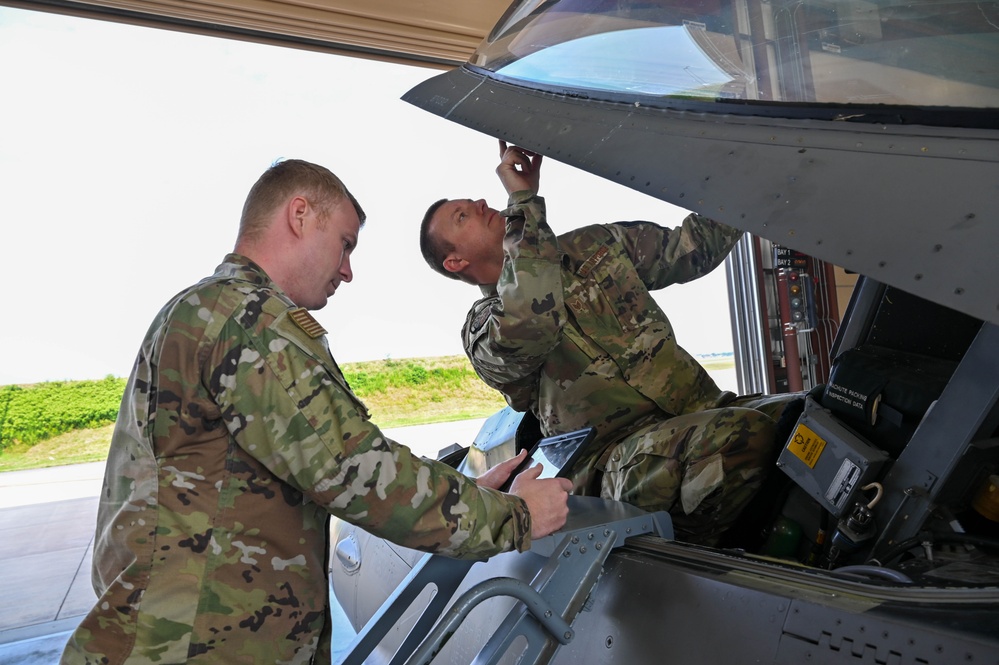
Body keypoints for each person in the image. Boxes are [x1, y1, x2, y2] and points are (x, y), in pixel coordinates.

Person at [61, 159, 572, 664]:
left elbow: (321, 463)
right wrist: (518, 516)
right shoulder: (248, 320)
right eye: (345, 244)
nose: (348, 271)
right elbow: (353, 468)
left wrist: (466, 492)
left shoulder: (214, 309)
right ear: (299, 215)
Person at [420, 141, 792, 547]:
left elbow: (689, 249)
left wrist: (755, 171)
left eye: (471, 202)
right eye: (462, 215)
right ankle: (697, 559)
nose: (478, 203)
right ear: (455, 262)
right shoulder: (484, 331)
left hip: (700, 410)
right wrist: (523, 201)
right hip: (613, 460)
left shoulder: (592, 246)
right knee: (741, 437)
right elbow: (533, 316)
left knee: (806, 416)